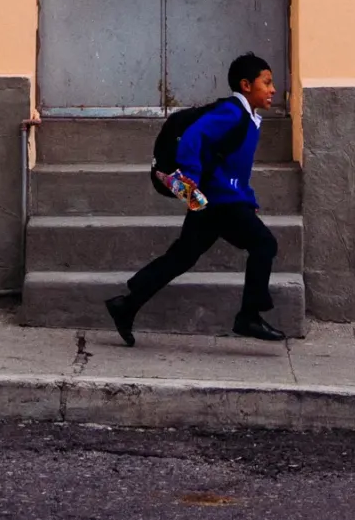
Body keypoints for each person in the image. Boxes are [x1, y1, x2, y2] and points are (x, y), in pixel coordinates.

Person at [106, 52, 283, 344]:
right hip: (219, 201)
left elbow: (234, 166)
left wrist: (245, 197)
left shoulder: (249, 118)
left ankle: (126, 305)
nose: (273, 89)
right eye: (267, 82)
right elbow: (192, 138)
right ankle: (249, 316)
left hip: (217, 200)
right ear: (246, 85)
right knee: (264, 243)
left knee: (182, 256)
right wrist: (191, 180)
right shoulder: (232, 112)